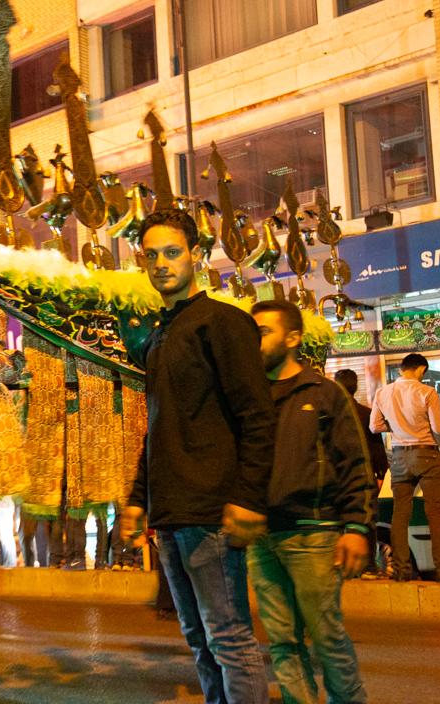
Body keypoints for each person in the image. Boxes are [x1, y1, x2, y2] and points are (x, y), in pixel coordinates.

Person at [120, 209, 275, 704]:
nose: (162, 263)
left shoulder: (223, 323)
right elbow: (159, 427)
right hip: (171, 515)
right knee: (199, 639)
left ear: (197, 256)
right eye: (152, 255)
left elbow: (256, 416)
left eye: (172, 252)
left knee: (230, 639)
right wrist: (138, 499)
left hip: (210, 512)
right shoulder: (160, 337)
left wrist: (248, 497)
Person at [248, 300, 373, 704]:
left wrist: (356, 528)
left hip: (314, 535)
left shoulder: (324, 394)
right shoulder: (248, 396)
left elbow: (355, 463)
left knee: (326, 637)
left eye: (264, 330)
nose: (256, 339)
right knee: (282, 642)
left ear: (293, 337)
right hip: (261, 537)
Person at [370, 353, 440, 583]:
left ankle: (401, 570)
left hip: (400, 457)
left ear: (401, 368)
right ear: (421, 369)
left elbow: (374, 426)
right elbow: (439, 428)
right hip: (426, 456)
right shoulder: (426, 392)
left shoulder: (383, 392)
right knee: (435, 513)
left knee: (400, 514)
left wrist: (397, 427)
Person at [334, 368, 390, 578]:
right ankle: (368, 567)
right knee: (367, 520)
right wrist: (381, 474)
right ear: (356, 387)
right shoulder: (366, 413)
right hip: (364, 474)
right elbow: (377, 448)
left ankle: (341, 565)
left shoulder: (333, 413)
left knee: (339, 519)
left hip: (338, 475)